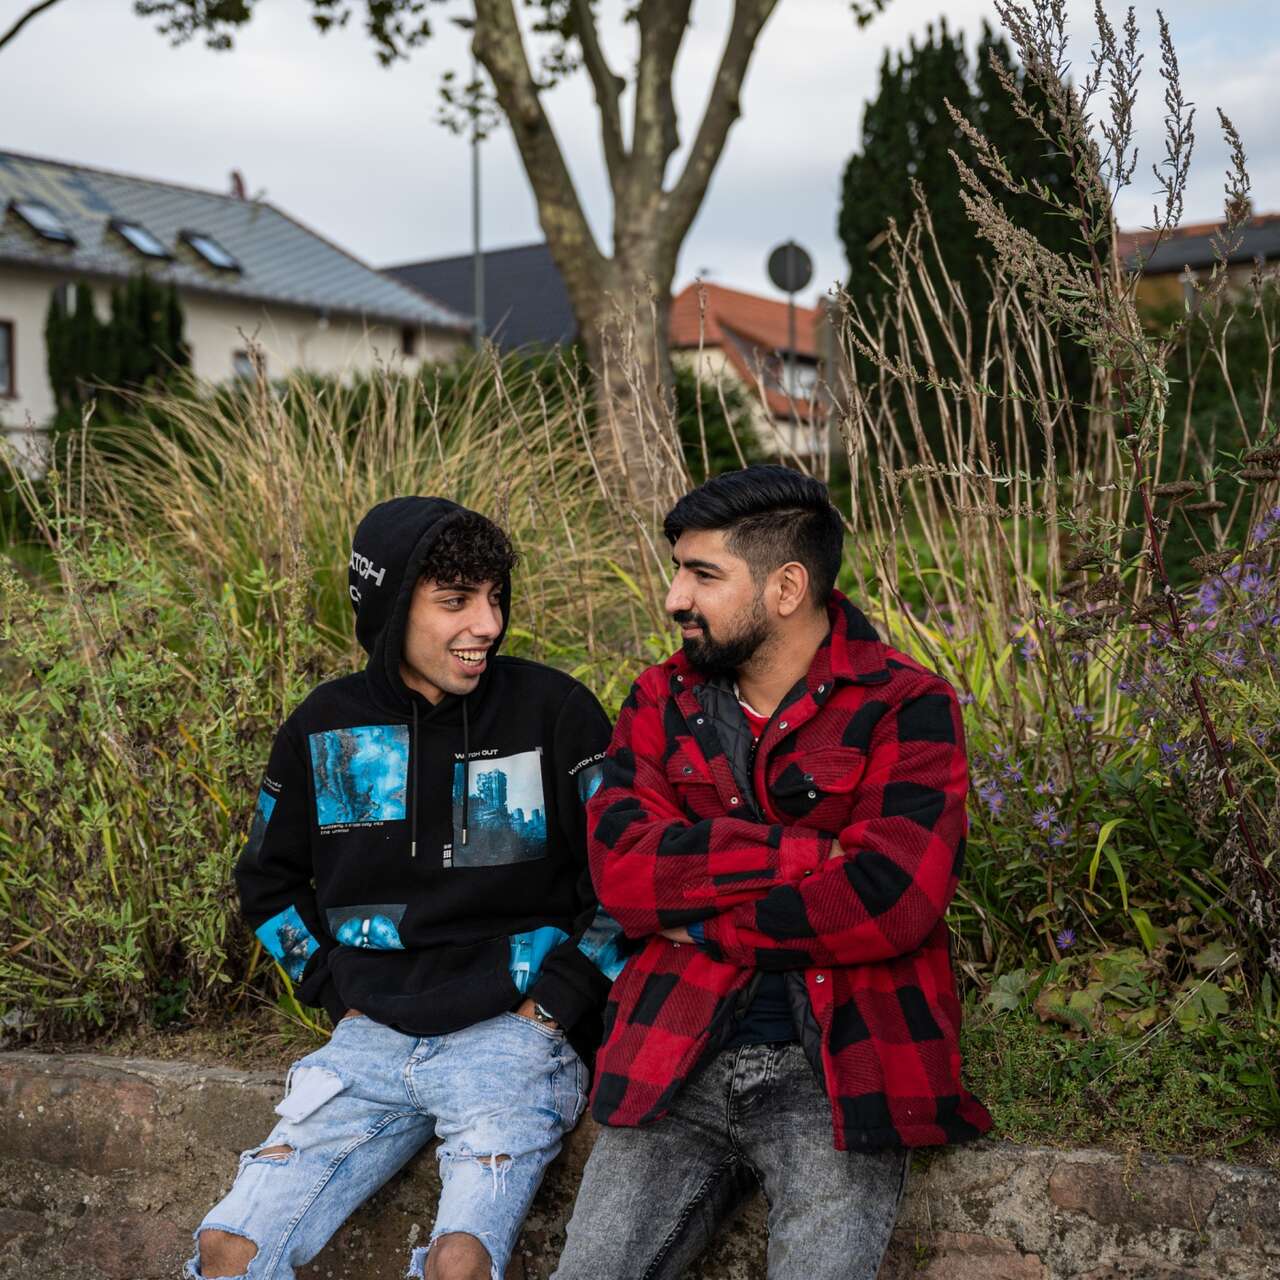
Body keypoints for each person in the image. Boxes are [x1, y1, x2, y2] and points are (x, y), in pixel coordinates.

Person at [555, 465, 992, 1280]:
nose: (675, 597)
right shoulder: (658, 700)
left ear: (787, 586)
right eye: (678, 569)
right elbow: (622, 876)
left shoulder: (907, 705)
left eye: (702, 574)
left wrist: (702, 919)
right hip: (670, 1049)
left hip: (841, 1067)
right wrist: (799, 856)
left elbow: (890, 900)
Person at [188, 497, 622, 1280]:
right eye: (456, 601)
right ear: (390, 610)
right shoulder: (326, 727)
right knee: (228, 1251)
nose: (487, 623)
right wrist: (329, 982)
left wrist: (555, 1004)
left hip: (512, 1039)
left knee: (458, 1265)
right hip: (369, 1039)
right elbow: (265, 880)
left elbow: (627, 882)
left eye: (494, 598)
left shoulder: (554, 712)